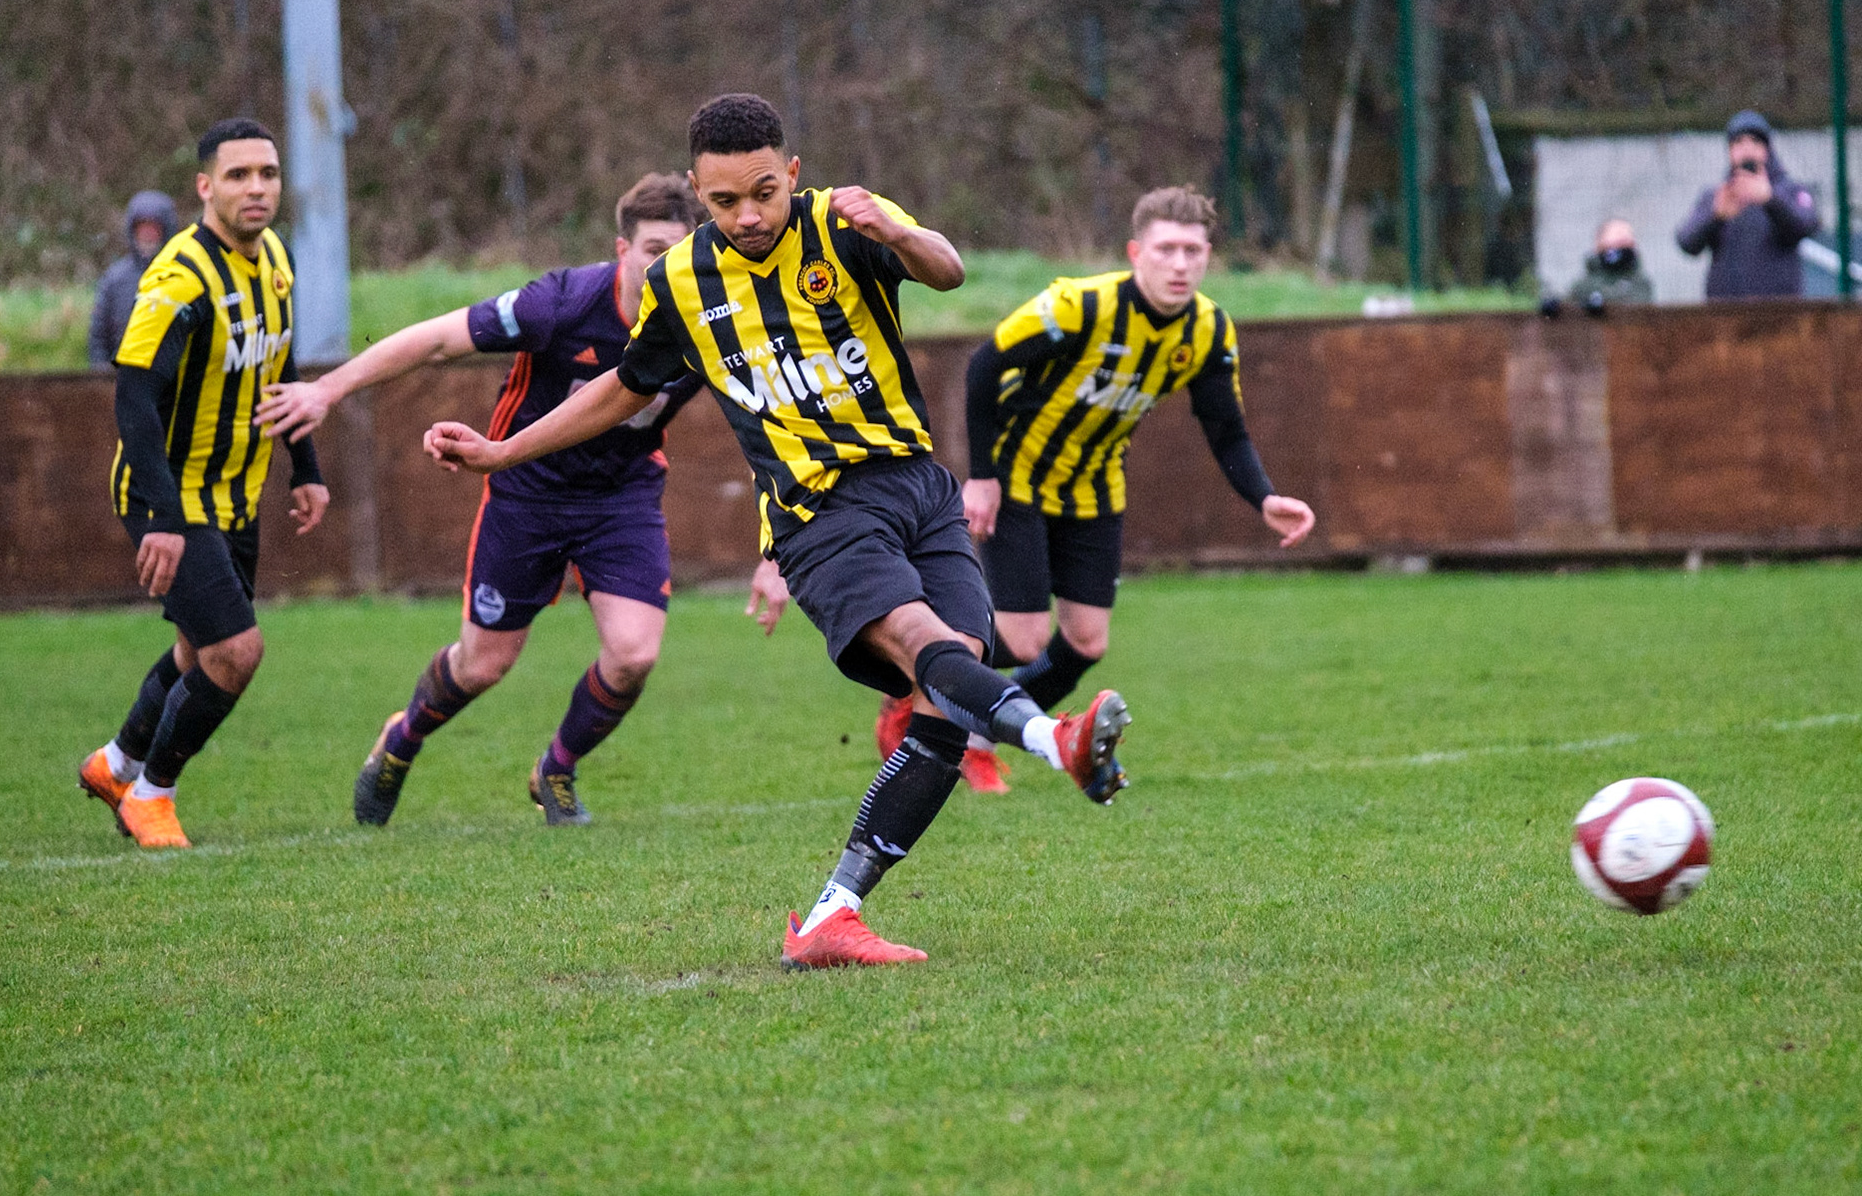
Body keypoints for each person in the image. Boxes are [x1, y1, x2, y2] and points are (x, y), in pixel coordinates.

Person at [422, 94, 1132, 969]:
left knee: (949, 698)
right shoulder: (681, 280)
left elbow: (947, 272)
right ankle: (1055, 739)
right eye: (725, 201)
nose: (749, 216)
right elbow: (625, 387)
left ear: (792, 172)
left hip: (919, 487)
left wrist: (898, 233)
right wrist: (503, 451)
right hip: (816, 511)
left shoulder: (842, 222)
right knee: (932, 648)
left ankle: (832, 917)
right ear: (698, 193)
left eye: (764, 192)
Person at [254, 173, 780, 827]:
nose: (663, 267)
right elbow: (438, 339)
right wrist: (326, 389)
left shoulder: (711, 319)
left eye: (677, 252)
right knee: (482, 665)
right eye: (652, 251)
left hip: (620, 499)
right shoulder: (560, 305)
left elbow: (771, 422)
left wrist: (776, 550)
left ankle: (555, 769)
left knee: (634, 654)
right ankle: (403, 737)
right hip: (528, 495)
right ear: (622, 250)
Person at [875, 186, 1314, 792]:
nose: (1180, 264)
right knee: (1024, 638)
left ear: (1209, 257)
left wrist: (1265, 498)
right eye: (1166, 250)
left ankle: (975, 735)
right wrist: (982, 478)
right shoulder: (1078, 306)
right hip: (1020, 479)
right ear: (1136, 253)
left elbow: (1226, 430)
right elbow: (984, 366)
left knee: (1085, 641)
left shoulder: (1209, 330)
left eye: (1192, 251)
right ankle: (914, 687)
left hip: (1096, 490)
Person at [77, 118, 328, 849]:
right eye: (238, 175)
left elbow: (280, 368)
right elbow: (134, 397)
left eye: (268, 174)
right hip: (170, 496)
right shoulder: (180, 276)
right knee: (235, 652)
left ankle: (115, 763)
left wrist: (306, 467)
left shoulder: (276, 259)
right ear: (205, 186)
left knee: (198, 649)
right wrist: (162, 518)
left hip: (235, 495)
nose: (257, 188)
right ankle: (151, 795)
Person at [1676, 110, 1820, 300]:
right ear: (1730, 150)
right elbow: (1686, 242)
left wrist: (1770, 199)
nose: (1747, 148)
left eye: (1755, 141)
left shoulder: (1790, 191)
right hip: (1725, 312)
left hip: (1780, 311)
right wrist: (1715, 216)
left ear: (1767, 148)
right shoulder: (1718, 196)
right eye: (1738, 142)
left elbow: (1807, 225)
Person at [88, 191, 180, 370]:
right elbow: (98, 338)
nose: (147, 235)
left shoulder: (184, 275)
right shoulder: (114, 279)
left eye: (153, 228)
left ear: (166, 230)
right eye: (142, 228)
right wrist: (102, 375)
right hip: (120, 376)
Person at [1560, 219, 1654, 312]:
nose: (1621, 247)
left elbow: (1638, 306)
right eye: (1617, 241)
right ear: (1599, 244)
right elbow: (1565, 307)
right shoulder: (1583, 286)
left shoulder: (1641, 283)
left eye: (1626, 243)